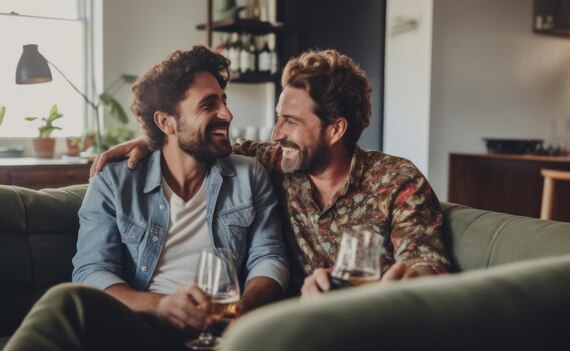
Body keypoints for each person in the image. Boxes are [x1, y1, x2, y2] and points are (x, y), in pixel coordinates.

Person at [91, 49, 450, 299]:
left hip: (373, 323)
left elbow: (425, 262)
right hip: (294, 324)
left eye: (290, 122)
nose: (277, 133)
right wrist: (152, 138)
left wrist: (411, 278)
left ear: (336, 130)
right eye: (278, 117)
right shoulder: (275, 162)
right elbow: (198, 138)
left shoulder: (396, 180)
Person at [5, 45, 288, 351]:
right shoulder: (115, 182)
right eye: (208, 104)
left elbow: (269, 257)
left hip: (225, 329)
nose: (227, 114)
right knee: (64, 299)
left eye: (224, 100)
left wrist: (242, 309)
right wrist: (161, 305)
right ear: (166, 122)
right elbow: (92, 272)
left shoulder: (250, 174)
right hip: (145, 327)